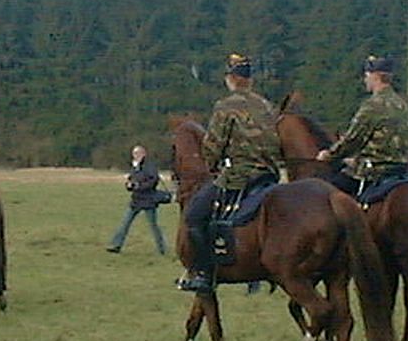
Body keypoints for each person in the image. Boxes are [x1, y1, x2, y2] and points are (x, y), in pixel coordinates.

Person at [179, 53, 282, 292]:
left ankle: (203, 273)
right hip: (268, 176)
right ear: (249, 79)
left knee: (194, 216)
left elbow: (213, 146)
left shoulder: (225, 106)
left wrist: (212, 164)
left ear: (231, 78)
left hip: (239, 177)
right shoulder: (266, 105)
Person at [316, 55, 408, 196]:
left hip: (372, 172)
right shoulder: (402, 104)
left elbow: (353, 140)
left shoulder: (372, 105)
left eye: (366, 76)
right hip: (400, 169)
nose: (365, 80)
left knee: (327, 194)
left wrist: (329, 155)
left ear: (375, 76)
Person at [106, 145, 167, 255]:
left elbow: (153, 181)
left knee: (154, 226)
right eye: (134, 154)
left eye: (138, 153)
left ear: (144, 154)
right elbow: (131, 179)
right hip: (136, 200)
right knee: (124, 223)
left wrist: (139, 185)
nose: (135, 156)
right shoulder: (135, 167)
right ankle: (116, 245)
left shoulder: (149, 166)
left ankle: (162, 249)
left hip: (148, 200)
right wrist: (129, 185)